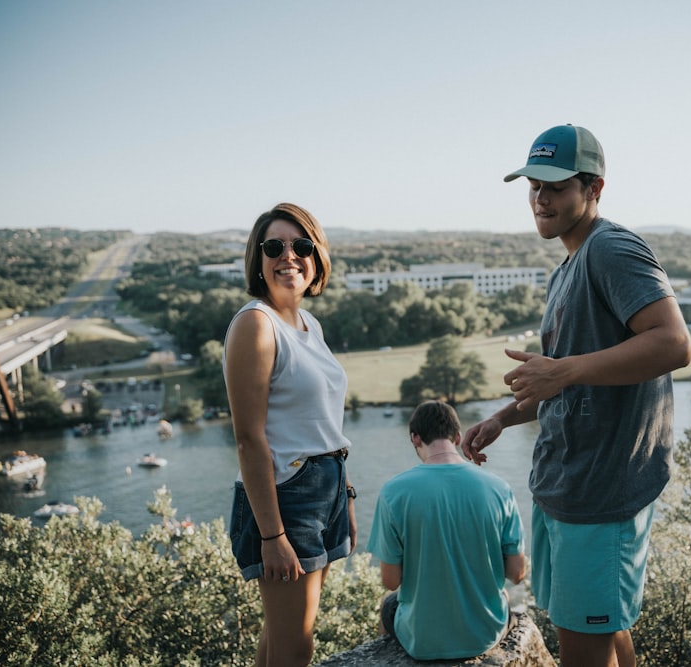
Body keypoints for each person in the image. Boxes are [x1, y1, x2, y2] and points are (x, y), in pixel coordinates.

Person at [461, 125, 691, 667]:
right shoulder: (566, 267)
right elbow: (564, 379)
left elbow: (674, 342)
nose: (540, 198)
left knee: (581, 650)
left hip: (601, 494)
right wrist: (501, 418)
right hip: (566, 487)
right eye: (533, 185)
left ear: (594, 189)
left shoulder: (611, 248)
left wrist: (562, 373)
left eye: (555, 186)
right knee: (605, 633)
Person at [223, 202, 357, 667]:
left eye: (301, 246)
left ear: (316, 257)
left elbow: (322, 424)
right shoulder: (255, 325)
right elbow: (248, 439)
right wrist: (272, 534)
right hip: (287, 499)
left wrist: (347, 497)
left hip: (324, 490)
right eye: (274, 247)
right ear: (257, 260)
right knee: (296, 649)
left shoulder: (307, 325)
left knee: (279, 641)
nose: (289, 257)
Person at [367, 400, 526, 661]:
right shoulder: (499, 487)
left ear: (415, 438)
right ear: (458, 437)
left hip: (421, 642)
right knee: (504, 592)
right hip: (486, 634)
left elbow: (391, 581)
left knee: (389, 604)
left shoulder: (393, 492)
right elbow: (517, 573)